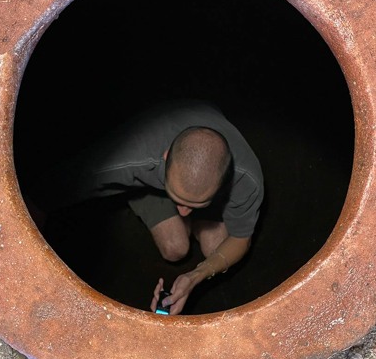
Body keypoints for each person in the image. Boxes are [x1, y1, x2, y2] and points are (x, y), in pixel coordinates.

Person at [27, 99, 264, 315]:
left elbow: (241, 239)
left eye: (197, 204)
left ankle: (193, 202)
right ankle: (144, 194)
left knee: (215, 248)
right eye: (178, 199)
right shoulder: (128, 161)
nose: (184, 212)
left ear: (226, 179)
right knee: (175, 248)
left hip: (202, 127)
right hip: (147, 176)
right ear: (166, 157)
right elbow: (40, 199)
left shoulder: (247, 179)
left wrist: (195, 276)